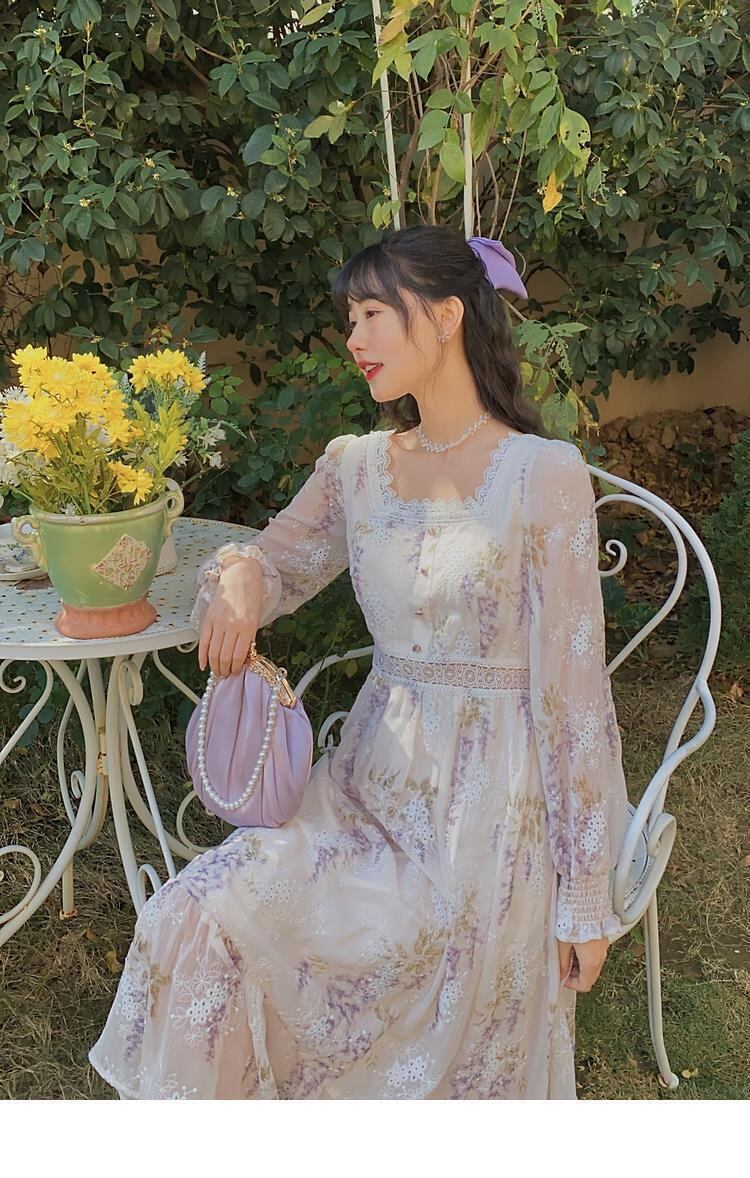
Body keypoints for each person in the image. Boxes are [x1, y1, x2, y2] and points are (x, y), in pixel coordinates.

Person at [88, 224, 629, 1099]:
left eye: (374, 313)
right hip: (364, 789)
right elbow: (273, 560)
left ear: (447, 316)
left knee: (417, 960)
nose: (354, 337)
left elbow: (575, 697)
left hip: (488, 818)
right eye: (351, 318)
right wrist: (238, 579)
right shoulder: (359, 466)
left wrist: (584, 896)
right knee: (196, 912)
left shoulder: (544, 474)